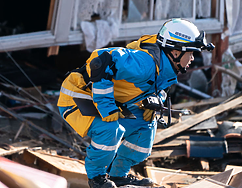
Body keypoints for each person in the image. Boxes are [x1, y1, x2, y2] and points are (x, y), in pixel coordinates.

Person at [57, 18, 214, 188]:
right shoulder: (144, 64)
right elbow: (100, 61)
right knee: (109, 129)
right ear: (175, 52)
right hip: (76, 96)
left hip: (110, 99)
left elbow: (156, 87)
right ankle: (97, 178)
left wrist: (155, 101)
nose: (192, 59)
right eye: (190, 53)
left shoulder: (165, 64)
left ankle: (118, 175)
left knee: (145, 127)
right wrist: (107, 107)